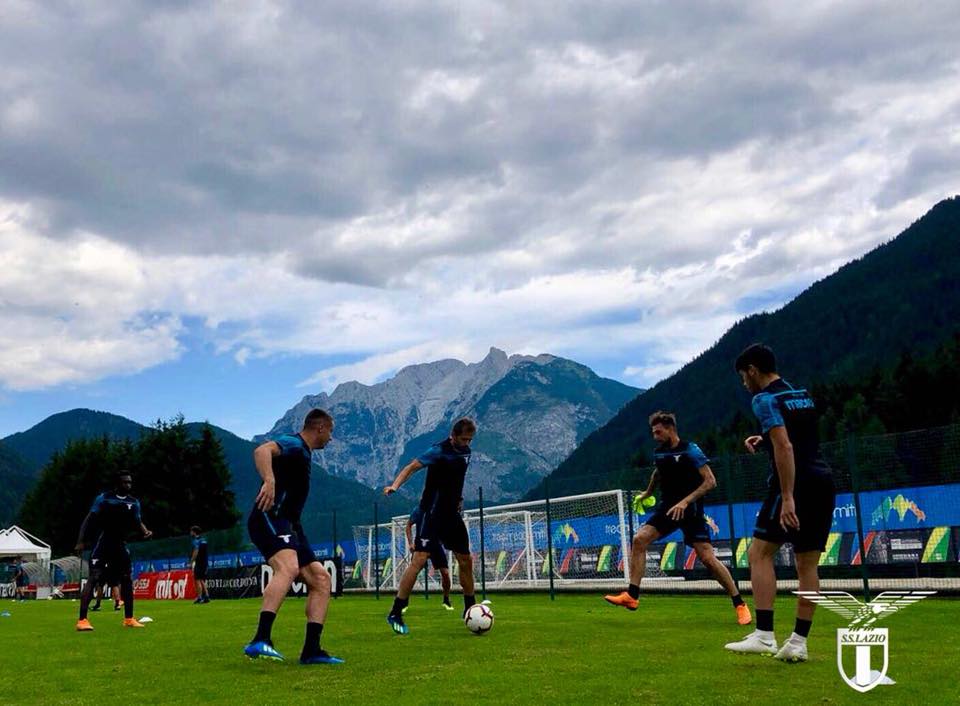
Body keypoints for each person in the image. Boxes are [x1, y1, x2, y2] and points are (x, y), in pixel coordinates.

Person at [724, 343, 835, 662]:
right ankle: (798, 643)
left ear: (752, 371)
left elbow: (786, 447)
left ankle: (764, 635)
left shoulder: (764, 399)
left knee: (759, 553)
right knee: (807, 564)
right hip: (822, 480)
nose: (744, 384)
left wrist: (787, 496)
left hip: (794, 484)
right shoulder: (801, 394)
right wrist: (765, 440)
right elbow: (799, 438)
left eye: (744, 378)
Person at [604, 412, 751, 626]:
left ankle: (740, 604)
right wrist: (647, 492)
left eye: (658, 431)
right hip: (668, 509)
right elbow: (658, 473)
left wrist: (685, 502)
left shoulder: (690, 449)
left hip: (690, 511)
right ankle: (632, 596)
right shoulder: (660, 453)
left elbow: (710, 481)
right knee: (639, 540)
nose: (655, 436)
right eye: (653, 432)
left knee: (708, 559)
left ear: (670, 428)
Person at [243, 409, 343, 665]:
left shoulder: (303, 453)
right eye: (330, 431)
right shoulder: (295, 444)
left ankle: (311, 650)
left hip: (291, 524)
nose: (330, 438)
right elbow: (261, 450)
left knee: (321, 580)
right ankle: (260, 638)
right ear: (320, 428)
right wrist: (269, 480)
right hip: (269, 516)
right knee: (288, 567)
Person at [383, 418, 478, 634]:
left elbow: (455, 480)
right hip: (431, 514)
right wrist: (395, 486)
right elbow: (411, 467)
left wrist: (458, 499)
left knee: (466, 559)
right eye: (463, 439)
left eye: (470, 440)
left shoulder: (466, 452)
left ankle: (470, 608)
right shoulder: (438, 450)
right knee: (419, 560)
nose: (467, 443)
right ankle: (396, 611)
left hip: (452, 515)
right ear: (453, 435)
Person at [74, 471, 153, 631]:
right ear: (117, 484)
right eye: (125, 482)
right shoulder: (104, 498)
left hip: (120, 546)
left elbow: (138, 521)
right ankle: (82, 620)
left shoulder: (134, 502)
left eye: (130, 482)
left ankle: (129, 618)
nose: (128, 485)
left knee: (126, 579)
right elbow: (89, 519)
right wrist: (80, 542)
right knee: (94, 577)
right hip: (103, 544)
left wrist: (145, 531)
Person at [405, 504, 454, 610]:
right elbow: (408, 525)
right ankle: (403, 601)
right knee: (412, 573)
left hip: (436, 545)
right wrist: (410, 543)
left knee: (445, 573)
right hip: (421, 545)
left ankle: (446, 600)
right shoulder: (418, 509)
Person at [190, 526, 210, 604]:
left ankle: (199, 597)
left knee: (197, 580)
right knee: (201, 579)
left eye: (191, 531)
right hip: (205, 562)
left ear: (194, 532)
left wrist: (191, 561)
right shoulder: (204, 540)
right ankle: (207, 596)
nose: (190, 533)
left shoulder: (196, 541)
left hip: (199, 563)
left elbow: (196, 551)